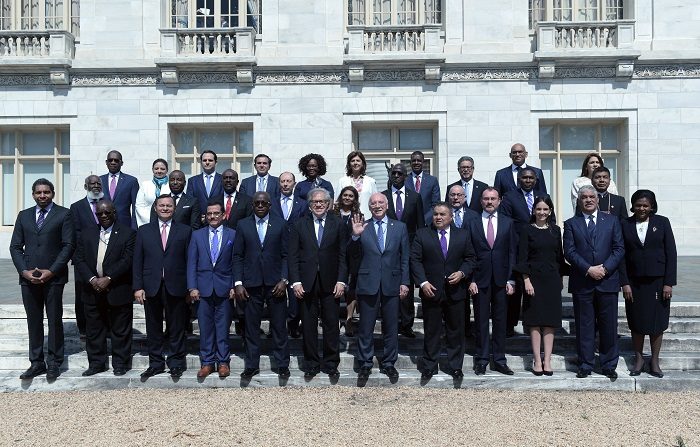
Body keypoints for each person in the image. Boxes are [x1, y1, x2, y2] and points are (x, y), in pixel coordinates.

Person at [10, 178, 75, 380]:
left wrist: (52, 271)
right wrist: (23, 271)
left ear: (53, 193)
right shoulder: (24, 216)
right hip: (28, 277)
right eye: (38, 193)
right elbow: (15, 246)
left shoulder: (64, 214)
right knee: (34, 321)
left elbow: (68, 246)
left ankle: (54, 363)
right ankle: (36, 362)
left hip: (53, 278)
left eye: (46, 192)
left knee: (54, 320)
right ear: (33, 194)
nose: (42, 196)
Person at [564, 185, 625, 379]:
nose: (589, 200)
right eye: (584, 197)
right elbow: (569, 252)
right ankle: (585, 363)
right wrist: (589, 269)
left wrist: (604, 269)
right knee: (584, 326)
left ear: (597, 200)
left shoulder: (613, 221)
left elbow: (619, 249)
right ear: (579, 201)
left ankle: (608, 364)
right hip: (583, 281)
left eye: (592, 197)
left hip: (607, 281)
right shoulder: (571, 223)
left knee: (609, 326)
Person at [349, 193, 410, 381]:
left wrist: (405, 282)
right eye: (373, 203)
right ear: (369, 206)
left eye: (380, 202)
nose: (377, 206)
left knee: (391, 327)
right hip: (368, 283)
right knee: (366, 327)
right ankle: (365, 364)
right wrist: (355, 237)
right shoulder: (361, 226)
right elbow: (351, 256)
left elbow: (405, 257)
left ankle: (389, 363)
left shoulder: (399, 227)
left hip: (392, 283)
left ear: (387, 205)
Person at [411, 202, 476, 380]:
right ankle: (429, 365)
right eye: (436, 214)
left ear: (451, 217)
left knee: (456, 331)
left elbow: (471, 258)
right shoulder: (422, 234)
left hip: (456, 292)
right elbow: (415, 260)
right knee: (431, 331)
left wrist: (462, 273)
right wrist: (423, 283)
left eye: (442, 214)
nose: (438, 217)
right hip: (431, 291)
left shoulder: (463, 235)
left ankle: (455, 367)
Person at [289, 188, 348, 379]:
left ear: (329, 204)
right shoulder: (299, 225)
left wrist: (341, 280)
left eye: (322, 201)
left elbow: (342, 255)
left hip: (331, 283)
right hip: (306, 283)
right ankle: (311, 363)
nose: (319, 205)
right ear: (309, 205)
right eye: (315, 202)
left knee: (331, 324)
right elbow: (293, 256)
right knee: (308, 325)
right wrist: (296, 281)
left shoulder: (338, 224)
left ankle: (331, 363)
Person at [73, 200, 136, 377]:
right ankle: (96, 363)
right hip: (92, 290)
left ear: (114, 212)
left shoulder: (127, 233)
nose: (104, 216)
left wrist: (108, 278)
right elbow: (79, 258)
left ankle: (120, 363)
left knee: (120, 329)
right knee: (94, 330)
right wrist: (92, 279)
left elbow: (128, 259)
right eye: (100, 213)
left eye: (107, 213)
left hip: (118, 289)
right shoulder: (86, 234)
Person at [133, 194, 192, 379]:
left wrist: (191, 288)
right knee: (154, 328)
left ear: (174, 208)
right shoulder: (144, 231)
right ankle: (156, 363)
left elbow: (190, 261)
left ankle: (176, 363)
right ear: (155, 208)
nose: (165, 208)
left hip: (177, 286)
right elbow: (137, 261)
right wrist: (138, 287)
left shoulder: (185, 231)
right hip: (151, 287)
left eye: (169, 206)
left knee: (176, 327)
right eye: (161, 205)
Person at [620, 190, 677, 378]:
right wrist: (625, 283)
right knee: (636, 322)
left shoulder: (662, 222)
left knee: (657, 323)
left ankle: (654, 360)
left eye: (645, 205)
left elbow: (671, 253)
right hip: (634, 283)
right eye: (638, 205)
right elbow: (621, 256)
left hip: (658, 282)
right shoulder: (625, 224)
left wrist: (668, 283)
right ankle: (638, 360)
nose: (641, 208)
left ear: (652, 206)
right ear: (633, 206)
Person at [233, 191, 290, 379]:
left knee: (279, 326)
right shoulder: (243, 225)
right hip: (251, 284)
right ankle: (251, 365)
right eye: (256, 203)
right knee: (251, 328)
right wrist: (238, 283)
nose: (259, 206)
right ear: (252, 205)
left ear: (269, 205)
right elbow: (238, 256)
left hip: (276, 285)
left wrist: (284, 279)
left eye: (263, 203)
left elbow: (286, 255)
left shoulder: (281, 224)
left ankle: (282, 364)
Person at [499, 167, 556, 336]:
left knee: (535, 289)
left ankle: (532, 324)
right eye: (524, 178)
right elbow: (506, 221)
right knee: (515, 290)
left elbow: (550, 219)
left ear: (536, 179)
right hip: (517, 247)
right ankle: (510, 326)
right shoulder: (510, 197)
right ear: (519, 180)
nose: (528, 180)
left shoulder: (542, 196)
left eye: (531, 178)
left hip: (539, 250)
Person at [467, 187, 518, 376]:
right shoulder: (471, 223)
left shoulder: (508, 223)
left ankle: (499, 360)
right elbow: (468, 254)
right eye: (486, 199)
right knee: (480, 321)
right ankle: (481, 359)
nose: (489, 202)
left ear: (499, 201)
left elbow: (512, 253)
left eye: (493, 199)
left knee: (500, 321)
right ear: (481, 201)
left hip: (502, 280)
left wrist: (511, 279)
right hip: (479, 280)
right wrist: (470, 280)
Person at [514, 196, 566, 376]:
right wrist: (526, 280)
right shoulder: (527, 230)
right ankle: (537, 359)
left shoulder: (556, 230)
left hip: (551, 279)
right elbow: (522, 258)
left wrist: (560, 277)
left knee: (550, 321)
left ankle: (548, 360)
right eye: (538, 209)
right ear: (533, 211)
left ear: (550, 211)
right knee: (535, 322)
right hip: (533, 280)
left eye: (545, 209)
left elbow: (559, 256)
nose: (542, 212)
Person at [187, 201, 236, 379]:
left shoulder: (233, 234)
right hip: (203, 288)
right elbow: (192, 262)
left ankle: (223, 362)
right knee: (205, 327)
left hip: (224, 288)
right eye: (209, 214)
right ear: (205, 216)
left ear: (224, 215)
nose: (213, 217)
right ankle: (207, 362)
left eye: (216, 213)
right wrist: (192, 286)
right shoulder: (197, 235)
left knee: (223, 327)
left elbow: (235, 262)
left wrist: (233, 285)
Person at [383, 163, 424, 338]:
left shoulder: (415, 197)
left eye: (400, 173)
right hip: (389, 248)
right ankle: (390, 324)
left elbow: (420, 225)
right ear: (390, 175)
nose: (397, 176)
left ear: (406, 176)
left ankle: (407, 325)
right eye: (394, 173)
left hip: (410, 247)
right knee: (388, 286)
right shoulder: (383, 197)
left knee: (406, 285)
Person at [270, 171, 308, 339]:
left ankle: (293, 325)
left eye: (288, 181)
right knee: (273, 295)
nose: (285, 184)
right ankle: (274, 328)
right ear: (279, 184)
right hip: (275, 253)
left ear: (294, 184)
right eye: (283, 181)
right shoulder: (271, 202)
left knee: (294, 295)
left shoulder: (303, 203)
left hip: (296, 252)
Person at [70, 175, 105, 338]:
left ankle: (106, 326)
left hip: (106, 256)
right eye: (92, 183)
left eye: (99, 183)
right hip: (84, 257)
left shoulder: (108, 204)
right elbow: (74, 233)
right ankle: (83, 327)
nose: (96, 186)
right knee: (83, 293)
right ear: (86, 186)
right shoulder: (76, 207)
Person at [332, 185, 363, 336]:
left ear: (355, 199)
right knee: (335, 287)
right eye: (345, 195)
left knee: (351, 289)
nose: (347, 198)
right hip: (335, 255)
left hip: (352, 256)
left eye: (351, 196)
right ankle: (335, 319)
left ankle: (349, 320)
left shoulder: (359, 215)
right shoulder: (332, 213)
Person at [101, 150, 139, 228]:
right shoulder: (99, 181)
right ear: (106, 162)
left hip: (124, 225)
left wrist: (134, 228)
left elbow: (136, 207)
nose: (113, 162)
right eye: (110, 160)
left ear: (121, 163)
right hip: (103, 225)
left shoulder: (131, 181)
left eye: (116, 160)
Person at [335, 151, 377, 218]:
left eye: (358, 160)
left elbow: (375, 201)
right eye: (352, 161)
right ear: (349, 164)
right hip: (347, 218)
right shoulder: (342, 181)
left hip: (367, 218)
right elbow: (337, 201)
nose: (355, 163)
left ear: (362, 163)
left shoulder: (371, 181)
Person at [186, 150, 223, 222]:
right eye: (204, 160)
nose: (207, 162)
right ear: (201, 162)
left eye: (210, 160)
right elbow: (190, 202)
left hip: (218, 221)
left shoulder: (223, 179)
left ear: (216, 162)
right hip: (198, 222)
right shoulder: (193, 181)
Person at [405, 150, 440, 223]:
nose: (416, 163)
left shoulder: (432, 180)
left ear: (423, 162)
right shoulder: (404, 180)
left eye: (419, 161)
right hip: (408, 223)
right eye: (414, 160)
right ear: (410, 163)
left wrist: (424, 219)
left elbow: (436, 204)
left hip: (427, 223)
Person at [135, 158, 170, 227]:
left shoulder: (171, 186)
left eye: (162, 169)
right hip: (148, 222)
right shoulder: (145, 185)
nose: (159, 171)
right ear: (152, 170)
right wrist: (152, 220)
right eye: (156, 168)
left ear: (167, 170)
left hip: (167, 222)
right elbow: (139, 205)